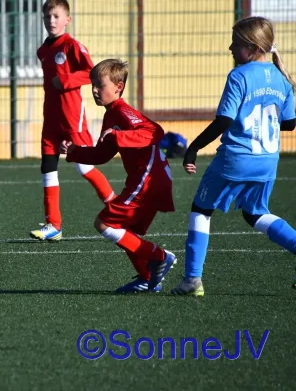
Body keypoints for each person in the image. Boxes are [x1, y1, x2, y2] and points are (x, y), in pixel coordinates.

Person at [171, 16, 296, 297]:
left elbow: (223, 121)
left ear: (252, 47)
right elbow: (289, 124)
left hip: (236, 159)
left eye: (235, 43)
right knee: (255, 214)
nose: (230, 47)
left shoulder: (239, 76)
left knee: (201, 209)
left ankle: (192, 280)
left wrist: (193, 147)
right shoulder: (281, 77)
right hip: (267, 161)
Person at [60, 58, 176, 292]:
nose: (94, 90)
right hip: (150, 179)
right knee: (127, 232)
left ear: (118, 87)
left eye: (99, 85)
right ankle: (146, 279)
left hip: (148, 179)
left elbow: (155, 132)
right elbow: (103, 154)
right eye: (92, 85)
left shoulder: (123, 111)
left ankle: (160, 256)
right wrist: (75, 152)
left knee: (104, 223)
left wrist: (118, 136)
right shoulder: (110, 115)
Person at [30, 0, 115, 242]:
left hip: (71, 116)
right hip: (51, 117)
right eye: (47, 16)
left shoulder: (72, 46)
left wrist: (66, 80)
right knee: (47, 166)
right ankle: (53, 225)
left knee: (84, 166)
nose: (51, 21)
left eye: (56, 16)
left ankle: (116, 206)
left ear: (67, 20)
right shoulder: (44, 50)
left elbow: (92, 71)